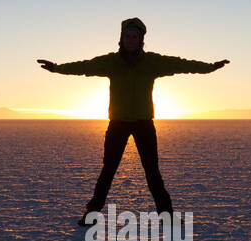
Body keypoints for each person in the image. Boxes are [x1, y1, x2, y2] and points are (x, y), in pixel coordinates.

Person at [38, 18, 228, 226]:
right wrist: (56, 68)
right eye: (127, 36)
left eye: (134, 36)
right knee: (108, 170)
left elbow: (181, 64)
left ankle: (167, 216)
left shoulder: (153, 62)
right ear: (121, 38)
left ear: (141, 39)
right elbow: (84, 66)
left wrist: (209, 68)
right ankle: (91, 214)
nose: (130, 40)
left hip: (143, 124)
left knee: (152, 172)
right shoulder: (110, 62)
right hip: (117, 124)